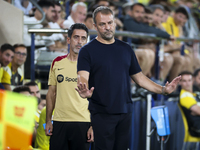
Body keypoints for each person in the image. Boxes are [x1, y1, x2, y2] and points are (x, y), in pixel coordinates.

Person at [76, 6, 181, 150]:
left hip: (125, 112)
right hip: (102, 113)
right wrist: (84, 88)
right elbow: (82, 76)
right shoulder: (87, 50)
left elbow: (140, 78)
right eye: (102, 24)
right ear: (95, 26)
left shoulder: (126, 48)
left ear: (114, 23)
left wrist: (163, 89)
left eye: (110, 23)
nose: (107, 27)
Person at [45, 23, 93, 150]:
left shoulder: (92, 65)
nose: (79, 41)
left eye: (83, 38)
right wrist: (49, 120)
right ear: (68, 40)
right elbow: (51, 93)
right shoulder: (57, 62)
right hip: (59, 122)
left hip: (83, 122)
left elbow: (98, 96)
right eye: (76, 37)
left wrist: (93, 125)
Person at [179, 71, 200, 137]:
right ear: (180, 82)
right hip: (193, 137)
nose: (187, 83)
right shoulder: (185, 96)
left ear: (193, 81)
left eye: (189, 80)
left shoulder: (195, 94)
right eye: (184, 81)